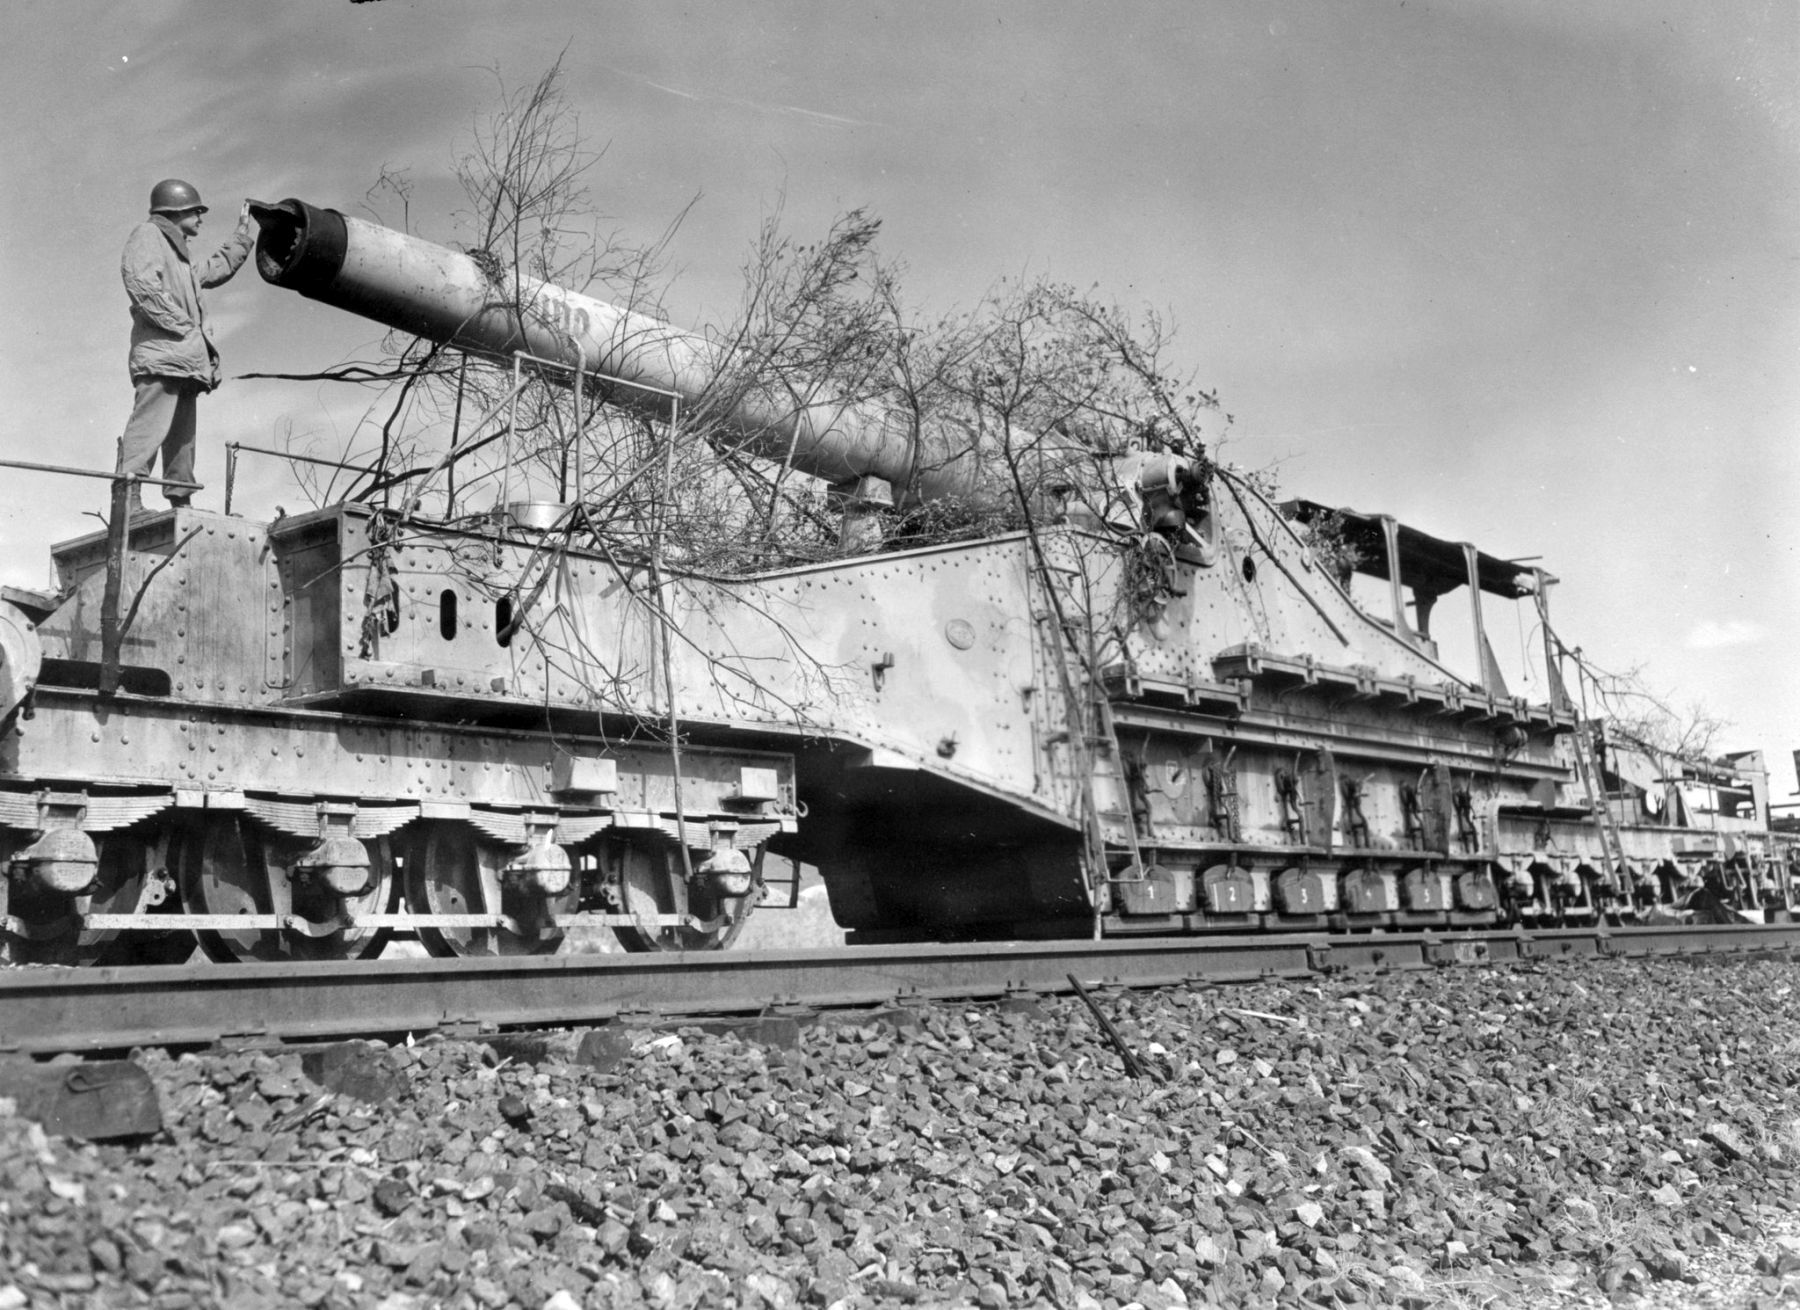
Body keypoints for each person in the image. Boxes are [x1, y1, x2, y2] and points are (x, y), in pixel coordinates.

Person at [116, 178, 255, 514]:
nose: (201, 217)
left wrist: (242, 235)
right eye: (197, 211)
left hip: (184, 359)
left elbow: (213, 270)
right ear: (177, 210)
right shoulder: (148, 235)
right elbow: (141, 284)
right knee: (148, 428)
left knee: (182, 438)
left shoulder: (179, 258)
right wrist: (184, 329)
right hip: (164, 355)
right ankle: (128, 499)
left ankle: (181, 500)